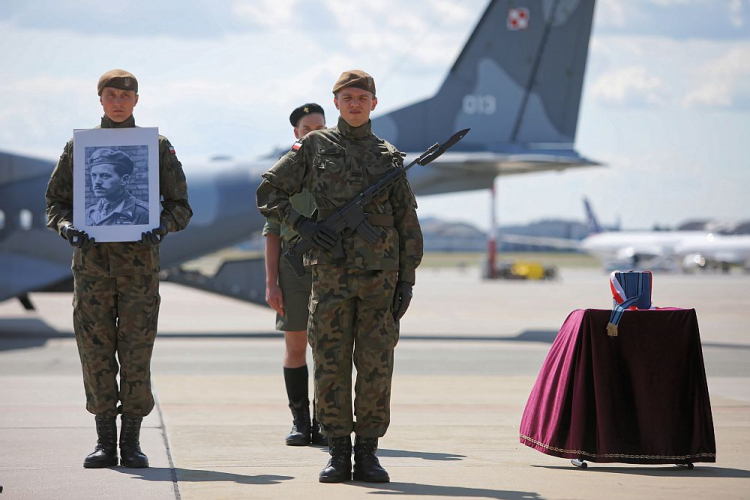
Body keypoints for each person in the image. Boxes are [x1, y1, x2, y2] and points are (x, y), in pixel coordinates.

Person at [257, 70, 423, 483]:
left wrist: (407, 280)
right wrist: (304, 223)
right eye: (347, 97)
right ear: (335, 103)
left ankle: (367, 452)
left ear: (374, 104)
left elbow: (407, 223)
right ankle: (337, 451)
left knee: (375, 365)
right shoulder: (314, 147)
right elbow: (268, 192)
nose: (354, 103)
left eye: (362, 97)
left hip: (380, 280)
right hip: (329, 276)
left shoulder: (389, 155)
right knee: (329, 364)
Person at [45, 69, 192, 469]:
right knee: (95, 354)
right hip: (92, 270)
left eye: (125, 97)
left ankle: (132, 441)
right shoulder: (80, 147)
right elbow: (55, 203)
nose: (118, 102)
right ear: (101, 99)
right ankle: (104, 440)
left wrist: (162, 226)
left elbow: (181, 206)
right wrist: (68, 228)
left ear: (137, 101)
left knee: (136, 353)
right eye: (111, 95)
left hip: (138, 270)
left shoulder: (156, 147)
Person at [263, 103, 327, 446]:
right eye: (308, 128)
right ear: (296, 133)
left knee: (331, 349)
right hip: (293, 270)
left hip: (332, 268)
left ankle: (328, 421)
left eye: (321, 127)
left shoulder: (337, 167)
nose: (315, 133)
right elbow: (272, 231)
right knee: (296, 346)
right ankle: (301, 421)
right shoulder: (284, 172)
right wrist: (271, 283)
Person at [85, 148, 149, 226]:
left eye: (105, 176)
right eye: (94, 176)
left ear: (124, 180)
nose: (97, 182)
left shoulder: (143, 213)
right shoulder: (88, 213)